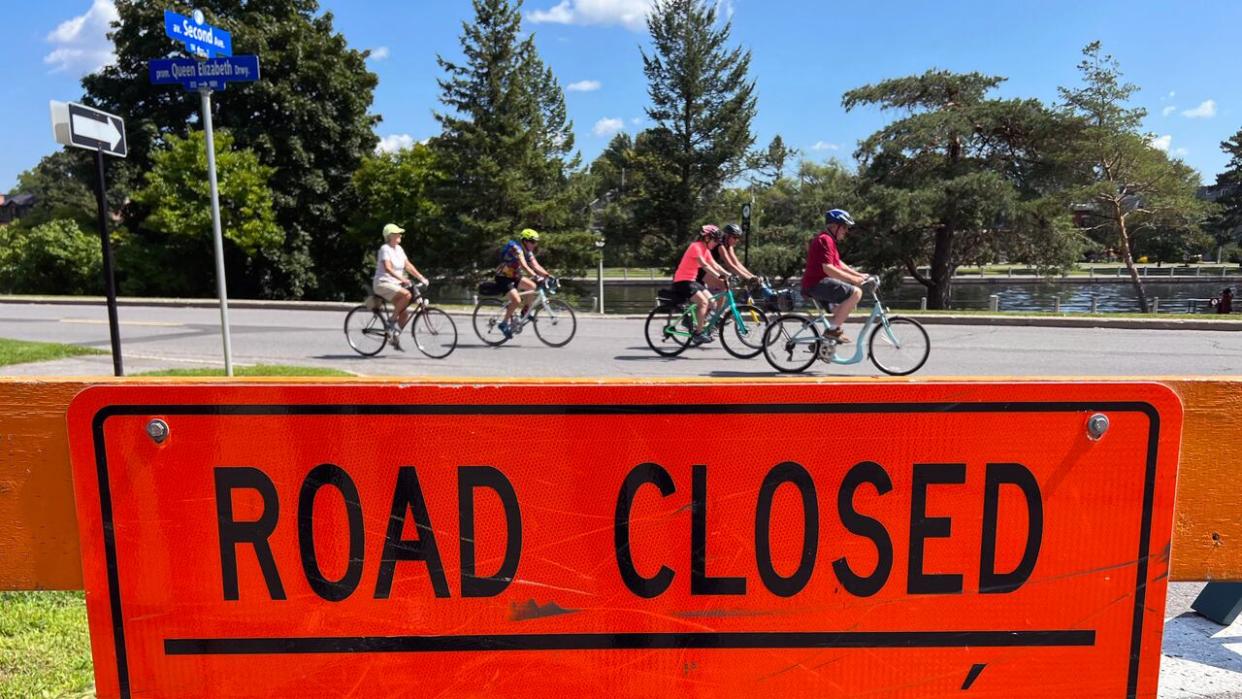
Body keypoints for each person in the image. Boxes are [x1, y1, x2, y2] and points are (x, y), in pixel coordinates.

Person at [800, 209, 874, 343]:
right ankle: (832, 332)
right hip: (816, 284)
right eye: (844, 227)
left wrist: (859, 275)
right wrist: (853, 280)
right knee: (856, 293)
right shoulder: (825, 240)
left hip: (817, 284)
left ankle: (823, 343)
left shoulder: (829, 240)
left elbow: (838, 264)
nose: (846, 231)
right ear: (833, 226)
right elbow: (828, 269)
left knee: (840, 310)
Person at [373, 223, 429, 351]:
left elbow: (408, 266)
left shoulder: (399, 249)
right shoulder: (385, 249)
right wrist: (402, 279)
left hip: (395, 285)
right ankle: (390, 322)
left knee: (404, 315)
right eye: (397, 233)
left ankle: (395, 336)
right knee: (407, 295)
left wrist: (421, 278)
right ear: (390, 236)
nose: (400, 235)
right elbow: (387, 268)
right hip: (382, 283)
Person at [673, 225, 730, 345]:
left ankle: (698, 323)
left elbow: (714, 264)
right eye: (715, 240)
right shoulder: (696, 247)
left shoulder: (706, 249)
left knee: (712, 302)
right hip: (682, 281)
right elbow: (704, 265)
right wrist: (718, 276)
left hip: (692, 281)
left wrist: (727, 274)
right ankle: (698, 334)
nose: (716, 244)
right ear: (707, 238)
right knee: (703, 302)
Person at [495, 228, 552, 339]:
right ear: (525, 241)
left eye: (536, 242)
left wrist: (548, 276)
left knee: (532, 286)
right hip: (503, 277)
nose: (535, 244)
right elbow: (525, 266)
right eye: (533, 242)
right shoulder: (516, 248)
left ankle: (525, 311)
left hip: (514, 276)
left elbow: (536, 265)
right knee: (517, 300)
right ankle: (504, 323)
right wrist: (535, 276)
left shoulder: (528, 251)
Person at [702, 223, 758, 308]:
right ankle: (717, 315)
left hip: (710, 268)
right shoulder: (720, 245)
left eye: (738, 238)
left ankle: (715, 314)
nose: (737, 240)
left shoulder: (729, 246)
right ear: (727, 236)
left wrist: (751, 276)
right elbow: (730, 265)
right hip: (702, 269)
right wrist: (747, 277)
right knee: (724, 284)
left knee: (723, 286)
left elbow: (737, 263)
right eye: (735, 237)